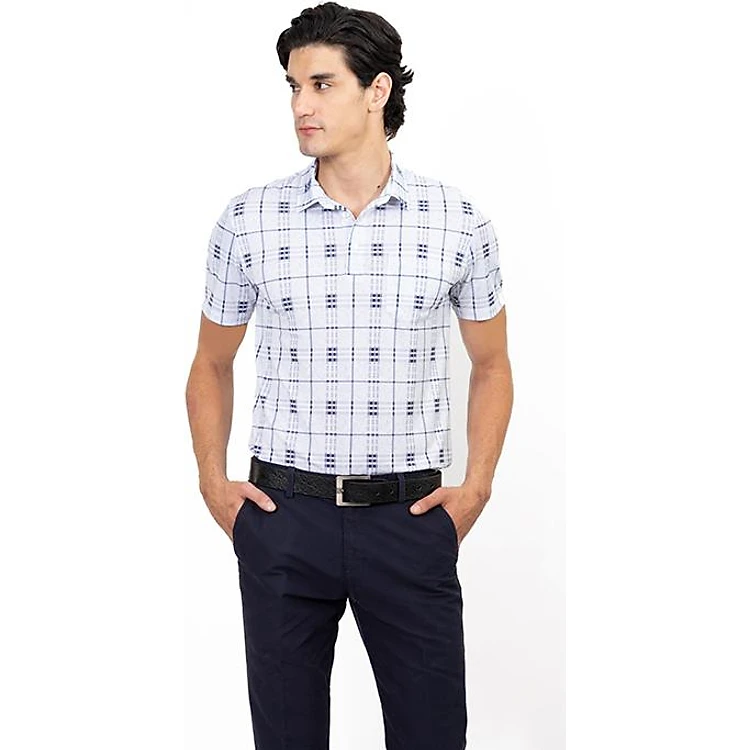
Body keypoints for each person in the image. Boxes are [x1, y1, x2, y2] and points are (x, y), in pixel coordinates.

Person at [185, 3, 513, 748]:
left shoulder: (458, 221)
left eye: (322, 84)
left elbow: (492, 365)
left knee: (432, 736)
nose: (300, 105)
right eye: (293, 86)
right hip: (283, 516)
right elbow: (211, 361)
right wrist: (213, 483)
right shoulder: (249, 220)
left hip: (410, 520)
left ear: (378, 91)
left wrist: (476, 488)